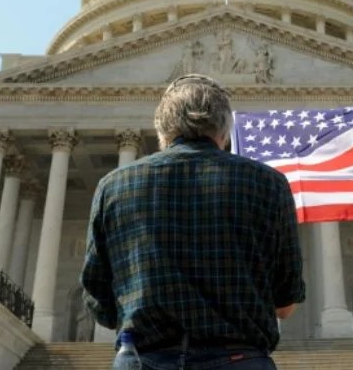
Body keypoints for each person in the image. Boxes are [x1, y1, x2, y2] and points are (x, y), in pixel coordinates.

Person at [82, 74, 306, 370]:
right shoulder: (269, 184)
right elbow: (286, 303)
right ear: (225, 131)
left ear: (161, 130)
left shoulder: (113, 186)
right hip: (240, 359)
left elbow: (97, 296)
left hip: (144, 359)